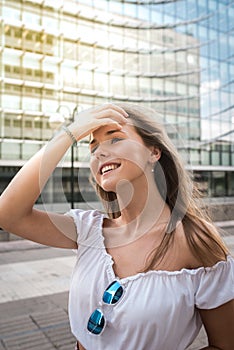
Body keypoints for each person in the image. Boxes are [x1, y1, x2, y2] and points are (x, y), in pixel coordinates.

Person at [0, 103, 233, 350]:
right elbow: (8, 215)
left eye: (115, 139)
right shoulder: (88, 230)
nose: (100, 152)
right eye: (93, 147)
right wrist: (68, 134)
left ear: (153, 152)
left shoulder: (195, 240)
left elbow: (225, 344)